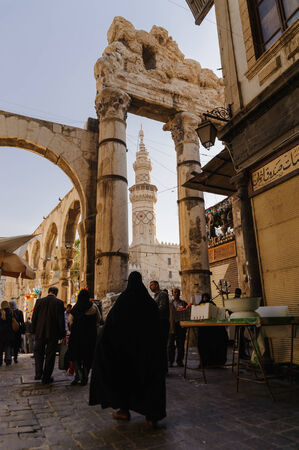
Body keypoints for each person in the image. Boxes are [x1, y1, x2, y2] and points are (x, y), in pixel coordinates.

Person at [89, 271, 166, 427]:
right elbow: (159, 328)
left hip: (126, 354)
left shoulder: (123, 302)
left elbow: (110, 326)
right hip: (147, 355)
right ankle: (152, 417)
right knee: (149, 382)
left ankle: (124, 411)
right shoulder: (149, 304)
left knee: (125, 380)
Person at [31, 287, 65, 384]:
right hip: (53, 334)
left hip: (40, 333)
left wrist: (33, 330)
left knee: (38, 353)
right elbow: (61, 320)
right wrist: (62, 333)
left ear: (48, 292)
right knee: (50, 355)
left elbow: (34, 317)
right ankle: (46, 377)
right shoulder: (59, 303)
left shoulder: (39, 301)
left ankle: (38, 374)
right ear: (56, 293)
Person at [68, 289, 101, 386]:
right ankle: (85, 376)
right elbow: (98, 320)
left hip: (76, 337)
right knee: (87, 356)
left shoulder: (75, 308)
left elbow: (70, 322)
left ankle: (78, 375)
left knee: (75, 355)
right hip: (90, 337)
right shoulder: (94, 307)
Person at [197, 293, 228, 367]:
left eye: (206, 297)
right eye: (203, 297)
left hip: (212, 329)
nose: (205, 299)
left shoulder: (212, 304)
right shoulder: (200, 305)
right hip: (204, 329)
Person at [149, 280, 170, 374]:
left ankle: (163, 369)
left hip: (163, 323)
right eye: (150, 285)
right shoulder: (155, 296)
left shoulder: (162, 294)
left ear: (157, 285)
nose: (150, 287)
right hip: (158, 323)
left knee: (162, 346)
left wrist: (152, 311)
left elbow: (162, 307)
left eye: (152, 285)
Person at [168, 288, 188, 367]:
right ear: (172, 294)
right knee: (170, 345)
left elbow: (187, 313)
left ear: (179, 293)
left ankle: (180, 361)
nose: (176, 293)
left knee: (181, 344)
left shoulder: (183, 303)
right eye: (175, 292)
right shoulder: (169, 303)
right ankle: (170, 361)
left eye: (177, 292)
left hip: (181, 326)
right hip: (172, 326)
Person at [0, 301, 14, 366]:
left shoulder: (0, 312)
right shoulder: (10, 312)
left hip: (1, 333)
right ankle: (8, 359)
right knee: (8, 346)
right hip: (9, 332)